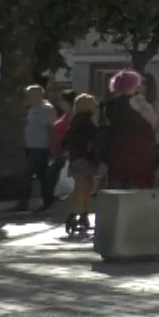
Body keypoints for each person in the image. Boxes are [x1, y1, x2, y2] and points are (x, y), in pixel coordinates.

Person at [101, 70, 159, 189]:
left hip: (116, 148)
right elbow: (154, 119)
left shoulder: (110, 104)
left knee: (118, 184)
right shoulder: (137, 100)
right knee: (138, 184)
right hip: (138, 149)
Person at [15, 85, 59, 213]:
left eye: (29, 95)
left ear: (37, 95)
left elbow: (51, 127)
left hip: (40, 147)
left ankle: (24, 203)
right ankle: (47, 201)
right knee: (42, 176)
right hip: (32, 146)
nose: (27, 98)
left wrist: (51, 146)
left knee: (27, 175)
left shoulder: (46, 109)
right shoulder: (33, 108)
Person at [63, 94, 102, 237]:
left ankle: (82, 214)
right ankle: (74, 214)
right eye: (92, 103)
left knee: (84, 187)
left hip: (79, 157)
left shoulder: (77, 120)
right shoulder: (84, 121)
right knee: (82, 188)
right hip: (83, 158)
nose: (95, 105)